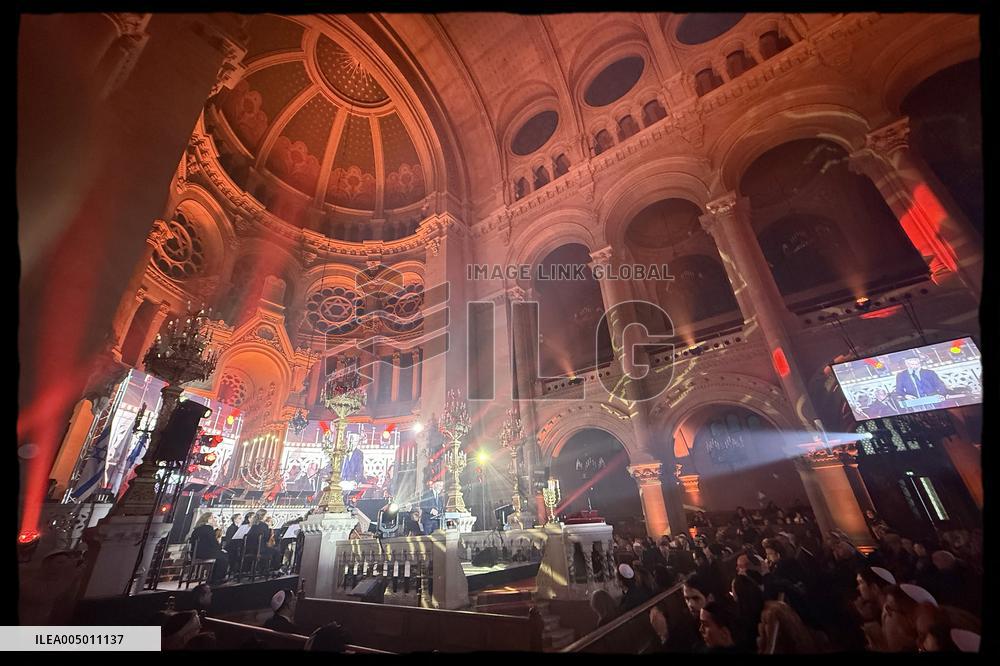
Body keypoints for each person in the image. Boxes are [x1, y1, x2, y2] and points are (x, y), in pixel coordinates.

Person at [189, 513, 228, 584]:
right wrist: (219, 547)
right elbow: (213, 542)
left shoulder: (197, 529)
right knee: (223, 556)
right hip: (204, 553)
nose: (214, 520)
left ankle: (213, 578)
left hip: (195, 553)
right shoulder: (208, 528)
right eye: (212, 518)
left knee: (220, 555)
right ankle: (216, 578)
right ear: (208, 519)